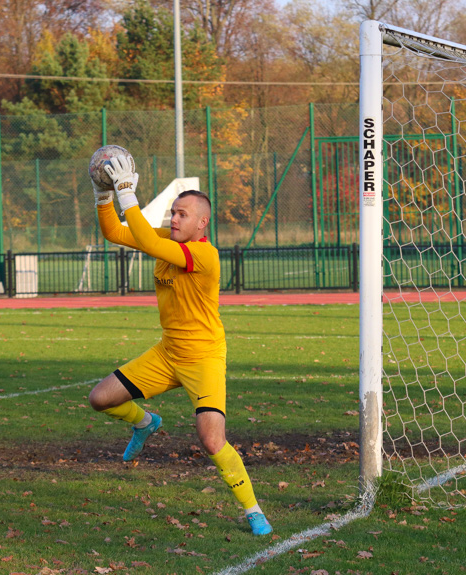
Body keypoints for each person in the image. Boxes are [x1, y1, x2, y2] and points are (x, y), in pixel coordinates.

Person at [86, 154, 272, 536]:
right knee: (100, 398)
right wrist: (102, 195)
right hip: (168, 352)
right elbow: (116, 233)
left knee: (210, 439)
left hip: (203, 357)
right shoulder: (166, 238)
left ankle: (253, 510)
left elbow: (143, 236)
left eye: (182, 214)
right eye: (173, 211)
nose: (174, 218)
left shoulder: (204, 254)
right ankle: (146, 423)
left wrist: (127, 194)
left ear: (202, 223)